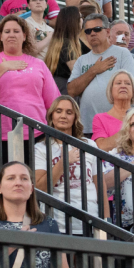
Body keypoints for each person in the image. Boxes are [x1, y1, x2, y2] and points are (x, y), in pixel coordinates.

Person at [0, 15, 61, 166]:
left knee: (33, 184)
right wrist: (2, 68)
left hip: (37, 133)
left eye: (16, 31)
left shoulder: (39, 64)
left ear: (24, 36)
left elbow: (54, 102)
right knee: (3, 184)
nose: (12, 35)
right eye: (7, 31)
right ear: (0, 37)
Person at [33, 96, 103, 234]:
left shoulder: (89, 145)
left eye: (69, 112)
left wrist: (104, 221)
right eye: (58, 111)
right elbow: (40, 188)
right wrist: (63, 162)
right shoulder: (41, 148)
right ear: (51, 115)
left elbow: (99, 185)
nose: (63, 116)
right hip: (56, 222)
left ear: (75, 117)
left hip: (88, 219)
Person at [68, 14, 134, 136]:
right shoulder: (81, 60)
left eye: (97, 29)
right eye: (88, 31)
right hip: (88, 126)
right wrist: (94, 70)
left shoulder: (122, 53)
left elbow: (132, 87)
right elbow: (71, 90)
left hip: (118, 125)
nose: (92, 33)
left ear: (108, 31)